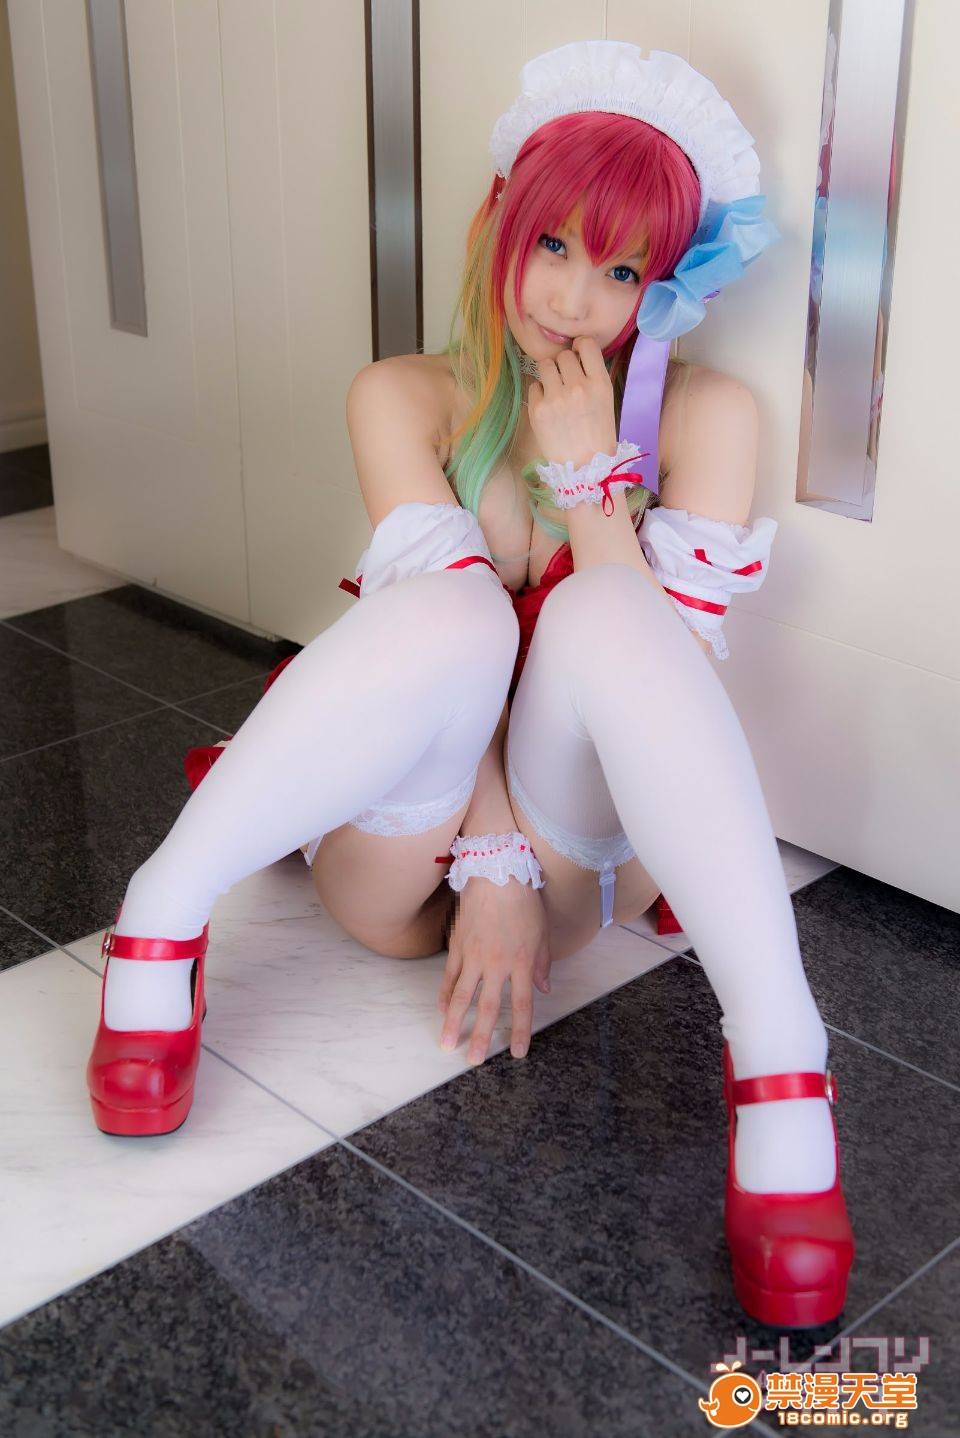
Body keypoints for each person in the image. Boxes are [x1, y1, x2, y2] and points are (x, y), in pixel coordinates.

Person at [87, 39, 854, 1328]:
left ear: (667, 286)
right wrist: (485, 858)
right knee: (449, 607)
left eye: (623, 271)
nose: (575, 299)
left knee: (606, 607)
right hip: (406, 843)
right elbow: (457, 645)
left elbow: (656, 674)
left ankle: (784, 1068)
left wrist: (592, 476)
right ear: (499, 224)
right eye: (553, 244)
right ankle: (159, 920)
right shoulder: (404, 395)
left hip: (576, 855)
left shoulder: (706, 416)